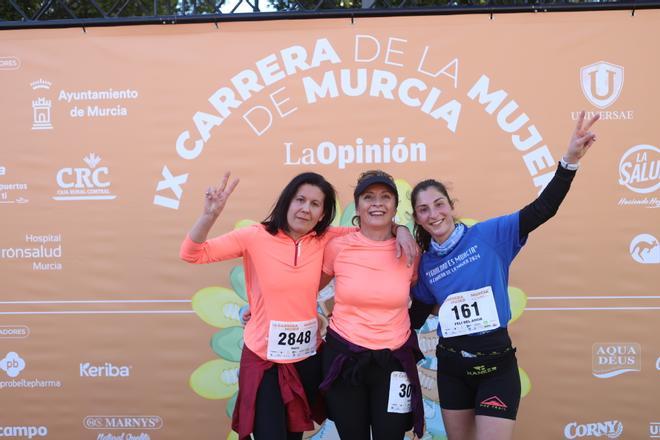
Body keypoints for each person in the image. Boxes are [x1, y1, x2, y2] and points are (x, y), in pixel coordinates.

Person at [179, 171, 416, 440]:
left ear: (322, 213)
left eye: (315, 204)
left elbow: (372, 228)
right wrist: (209, 215)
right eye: (300, 200)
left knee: (295, 436)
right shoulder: (254, 236)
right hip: (265, 358)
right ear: (286, 201)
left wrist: (402, 229)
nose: (306, 209)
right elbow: (192, 253)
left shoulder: (325, 238)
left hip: (306, 358)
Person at [409, 112, 599, 440]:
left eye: (439, 204)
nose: (433, 213)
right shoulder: (424, 264)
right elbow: (412, 316)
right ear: (418, 218)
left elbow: (543, 209)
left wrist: (569, 162)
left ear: (450, 206)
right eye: (424, 209)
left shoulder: (490, 235)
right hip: (452, 369)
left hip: (496, 368)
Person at [319, 170, 425, 440]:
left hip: (394, 362)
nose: (377, 203)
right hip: (344, 358)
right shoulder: (338, 247)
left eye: (385, 197)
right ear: (357, 206)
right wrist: (264, 307)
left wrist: (401, 229)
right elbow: (305, 288)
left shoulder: (411, 251)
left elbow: (427, 294)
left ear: (394, 206)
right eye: (369, 197)